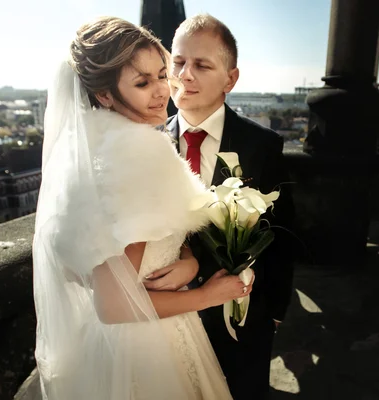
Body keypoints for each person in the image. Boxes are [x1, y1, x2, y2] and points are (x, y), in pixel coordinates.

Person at [32, 16, 253, 399]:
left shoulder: (90, 153)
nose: (162, 91)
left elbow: (129, 246)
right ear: (103, 94)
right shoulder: (135, 158)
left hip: (110, 346)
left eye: (161, 75)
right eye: (142, 82)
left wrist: (189, 258)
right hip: (149, 344)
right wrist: (209, 295)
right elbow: (114, 305)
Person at [164, 14, 296, 400]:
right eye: (178, 61)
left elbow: (283, 232)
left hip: (242, 323)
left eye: (202, 65)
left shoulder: (262, 146)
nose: (185, 75)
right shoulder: (147, 144)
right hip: (169, 322)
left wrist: (272, 312)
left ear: (230, 79)